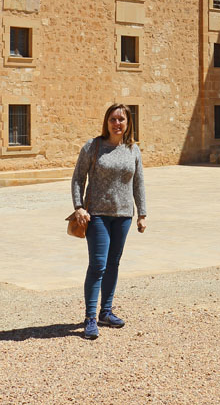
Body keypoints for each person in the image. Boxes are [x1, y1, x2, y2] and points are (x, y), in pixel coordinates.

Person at [71, 103, 146, 339]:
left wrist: (142, 213)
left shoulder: (133, 150)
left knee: (113, 264)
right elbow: (77, 179)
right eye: (113, 119)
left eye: (121, 120)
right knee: (98, 265)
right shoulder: (93, 147)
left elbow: (139, 183)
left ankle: (106, 312)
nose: (117, 124)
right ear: (106, 121)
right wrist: (79, 207)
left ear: (128, 124)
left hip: (123, 215)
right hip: (97, 215)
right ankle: (90, 318)